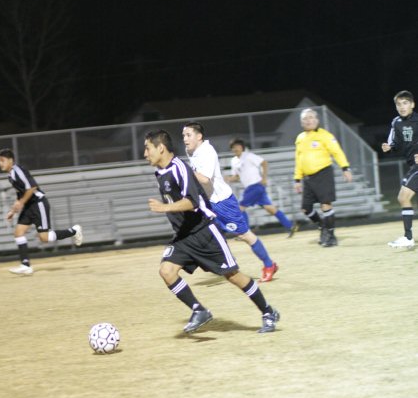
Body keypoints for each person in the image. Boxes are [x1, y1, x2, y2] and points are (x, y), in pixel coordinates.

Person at [144, 129, 280, 334]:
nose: (145, 154)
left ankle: (268, 311)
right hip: (184, 236)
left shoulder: (180, 168)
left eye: (147, 148)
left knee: (233, 275)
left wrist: (164, 207)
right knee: (166, 271)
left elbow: (191, 202)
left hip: (204, 232)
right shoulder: (160, 172)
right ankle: (199, 310)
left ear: (160, 148)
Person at [182, 121, 279, 282]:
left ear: (199, 136)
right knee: (201, 233)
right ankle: (218, 263)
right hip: (208, 202)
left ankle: (269, 265)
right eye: (183, 135)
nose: (185, 138)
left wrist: (185, 171)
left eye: (188, 135)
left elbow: (205, 179)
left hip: (222, 202)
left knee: (245, 235)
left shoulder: (207, 152)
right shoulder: (190, 150)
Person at [0, 148, 83, 274]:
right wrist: (13, 211)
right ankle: (25, 266)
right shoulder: (10, 175)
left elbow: (32, 187)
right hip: (28, 206)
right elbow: (21, 193)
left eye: (2, 160)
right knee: (18, 232)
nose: (0, 163)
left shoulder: (18, 171)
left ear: (10, 160)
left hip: (38, 204)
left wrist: (20, 203)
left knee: (44, 237)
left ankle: (74, 231)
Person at [294, 108, 352, 247]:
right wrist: (297, 179)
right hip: (307, 178)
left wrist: (345, 168)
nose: (308, 120)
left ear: (317, 120)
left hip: (323, 173)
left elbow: (337, 152)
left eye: (311, 117)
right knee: (306, 208)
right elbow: (298, 159)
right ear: (302, 122)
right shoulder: (300, 138)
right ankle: (322, 227)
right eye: (305, 118)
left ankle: (331, 236)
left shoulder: (325, 135)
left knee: (325, 205)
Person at [227, 138, 298, 237]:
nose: (236, 148)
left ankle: (246, 234)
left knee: (239, 208)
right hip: (251, 187)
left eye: (238, 146)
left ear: (242, 147)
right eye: (233, 147)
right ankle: (290, 226)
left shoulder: (248, 156)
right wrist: (228, 179)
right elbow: (237, 176)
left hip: (255, 186)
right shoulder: (234, 161)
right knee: (270, 209)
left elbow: (264, 163)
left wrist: (264, 178)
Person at [381, 90, 418, 248]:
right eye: (399, 104)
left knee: (403, 197)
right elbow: (395, 144)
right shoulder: (396, 123)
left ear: (412, 104)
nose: (402, 107)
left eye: (405, 103)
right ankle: (408, 237)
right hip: (412, 165)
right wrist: (389, 148)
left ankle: (408, 238)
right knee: (404, 198)